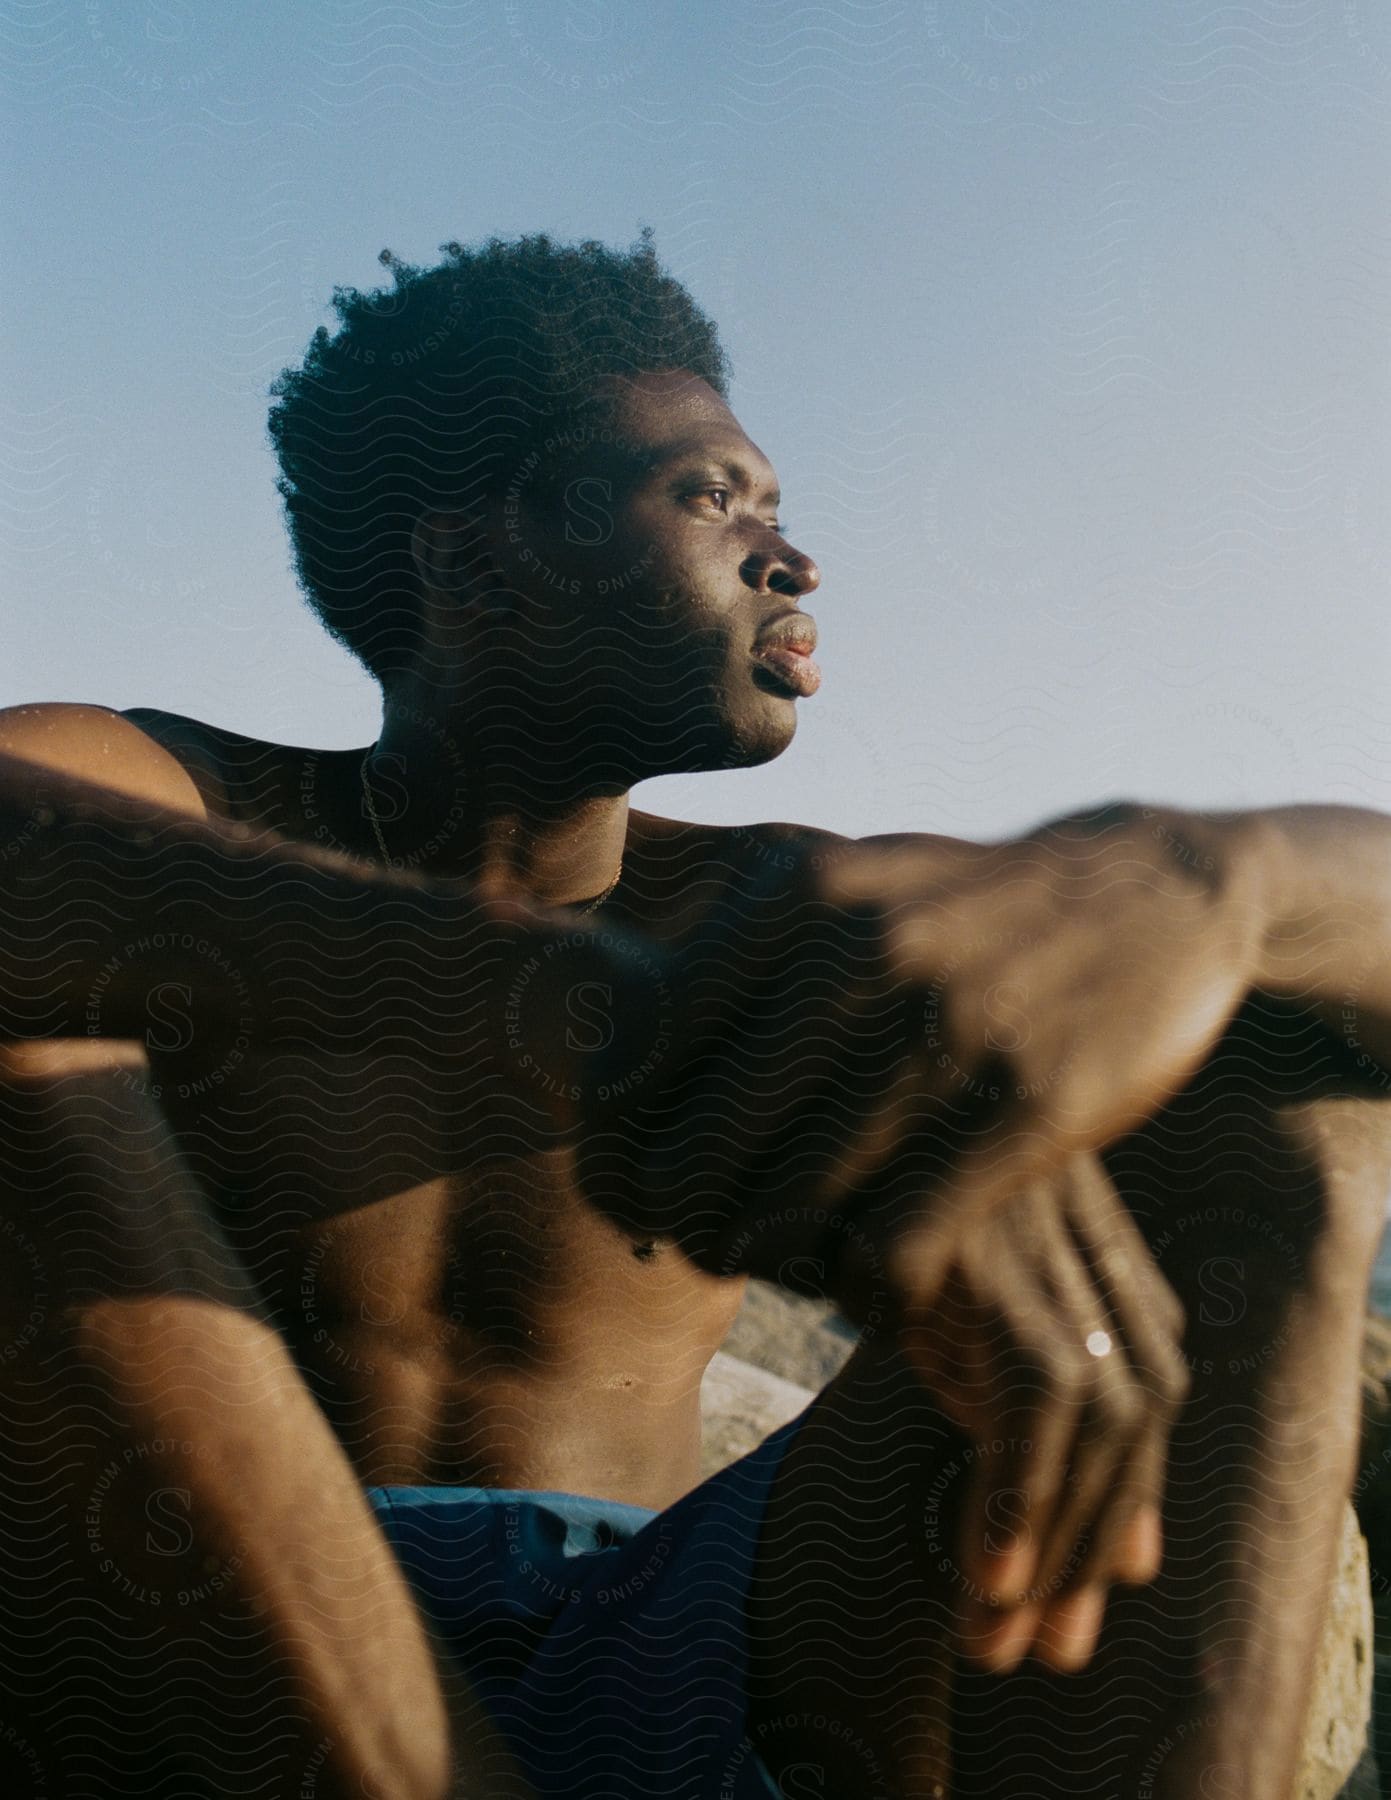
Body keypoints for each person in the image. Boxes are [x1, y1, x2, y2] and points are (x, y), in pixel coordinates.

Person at [0, 231, 1388, 1800]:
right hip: (183, 1635)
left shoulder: (794, 911)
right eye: (712, 497)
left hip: (674, 1634)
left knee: (1281, 1093)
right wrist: (587, 1008)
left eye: (780, 512)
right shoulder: (187, 802)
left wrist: (1218, 879)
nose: (790, 560)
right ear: (469, 561)